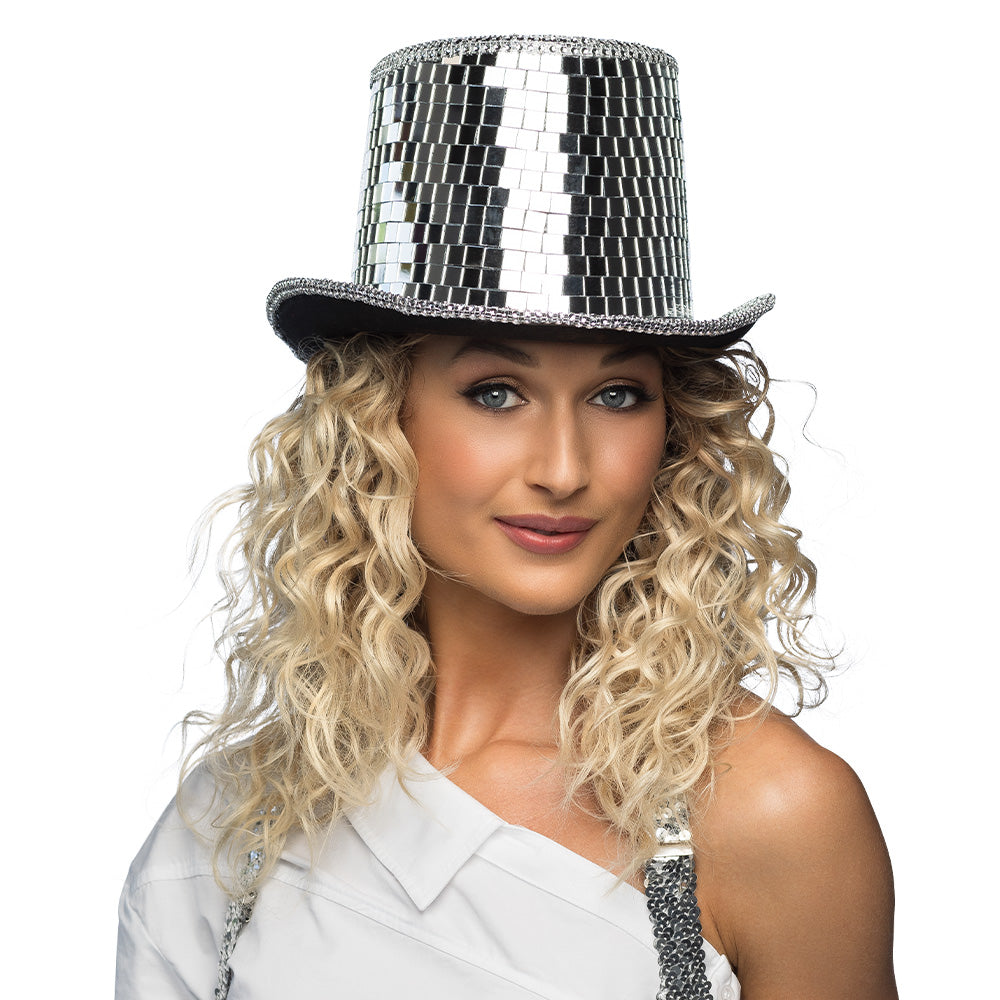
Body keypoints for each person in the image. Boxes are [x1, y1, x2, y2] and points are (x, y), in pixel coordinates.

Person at [116, 34, 896, 999]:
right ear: (380, 420)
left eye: (617, 395)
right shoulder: (232, 827)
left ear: (675, 432)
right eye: (496, 393)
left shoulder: (767, 810)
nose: (564, 470)